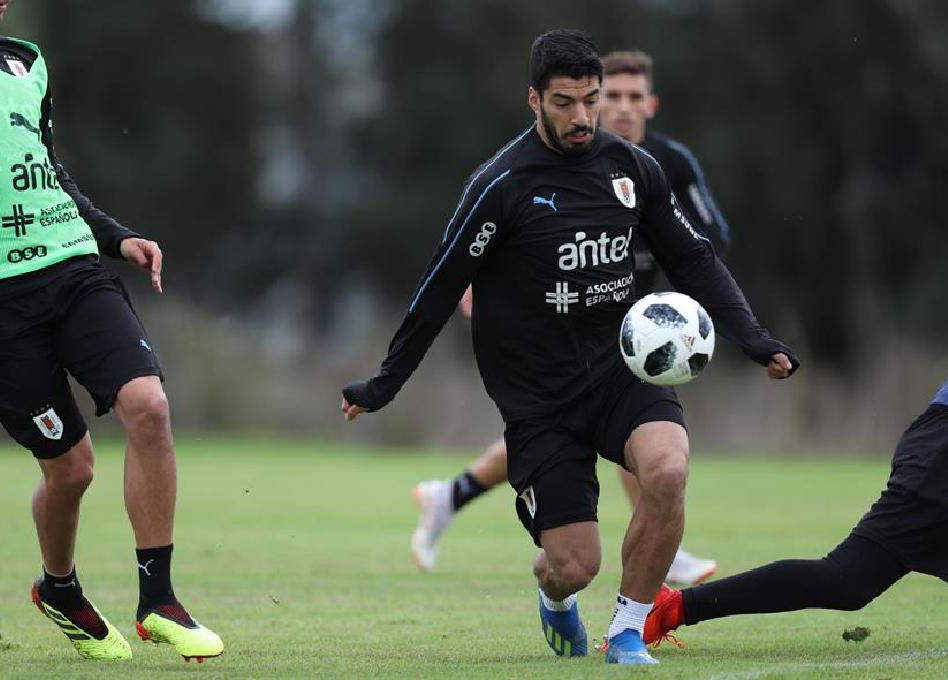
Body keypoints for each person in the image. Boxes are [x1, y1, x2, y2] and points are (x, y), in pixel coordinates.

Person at [343, 29, 797, 665]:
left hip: (621, 374)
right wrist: (384, 384)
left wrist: (753, 337)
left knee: (667, 470)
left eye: (591, 99)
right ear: (534, 100)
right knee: (575, 565)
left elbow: (692, 257)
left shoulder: (634, 169)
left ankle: (630, 629)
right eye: (565, 102)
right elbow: (440, 287)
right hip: (539, 400)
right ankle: (555, 596)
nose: (583, 116)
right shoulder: (499, 185)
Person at [0, 0, 222, 662]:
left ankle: (159, 600)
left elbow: (48, 169)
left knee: (149, 407)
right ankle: (60, 590)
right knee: (71, 470)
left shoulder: (27, 59)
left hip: (72, 267)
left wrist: (116, 237)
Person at [410, 49, 731, 588]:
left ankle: (453, 494)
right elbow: (484, 230)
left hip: (636, 327)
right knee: (567, 430)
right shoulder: (546, 166)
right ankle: (458, 497)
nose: (623, 109)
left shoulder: (664, 165)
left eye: (634, 98)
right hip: (562, 331)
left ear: (649, 105)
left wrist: (675, 277)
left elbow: (711, 240)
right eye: (616, 97)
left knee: (637, 434)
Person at [644, 377, 948, 646]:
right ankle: (673, 608)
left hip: (933, 445)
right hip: (939, 457)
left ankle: (677, 607)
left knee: (849, 582)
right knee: (848, 579)